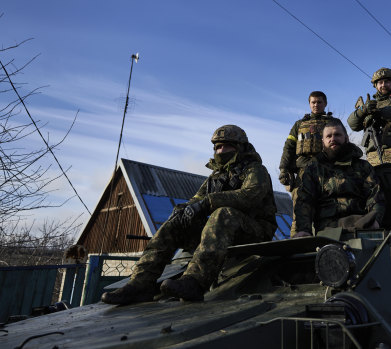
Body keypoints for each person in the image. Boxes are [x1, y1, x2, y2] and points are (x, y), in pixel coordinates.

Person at [101, 125, 277, 304]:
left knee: (223, 213)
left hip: (256, 232)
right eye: (217, 147)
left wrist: (208, 203)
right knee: (175, 222)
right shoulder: (215, 177)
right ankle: (140, 284)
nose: (221, 150)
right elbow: (196, 200)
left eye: (226, 146)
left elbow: (250, 196)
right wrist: (183, 210)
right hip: (223, 234)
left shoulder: (255, 170)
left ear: (239, 147)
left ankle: (195, 281)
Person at [293, 120, 385, 237]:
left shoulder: (363, 167)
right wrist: (304, 229)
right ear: (323, 141)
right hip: (327, 231)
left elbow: (376, 196)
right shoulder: (313, 169)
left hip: (360, 228)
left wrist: (376, 221)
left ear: (346, 138)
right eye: (328, 136)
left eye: (337, 135)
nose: (333, 139)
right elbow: (305, 201)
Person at [278, 91, 341, 237]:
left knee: (329, 211)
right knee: (299, 211)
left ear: (325, 104)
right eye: (313, 102)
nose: (316, 105)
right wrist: (284, 169)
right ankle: (297, 248)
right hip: (303, 171)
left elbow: (342, 145)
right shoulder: (299, 124)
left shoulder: (334, 123)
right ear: (309, 104)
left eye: (319, 102)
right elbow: (289, 147)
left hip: (328, 171)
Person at [347, 67, 391, 176]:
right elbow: (352, 124)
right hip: (373, 158)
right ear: (376, 85)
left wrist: (380, 112)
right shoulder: (370, 105)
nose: (383, 85)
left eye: (387, 82)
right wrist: (363, 110)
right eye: (380, 82)